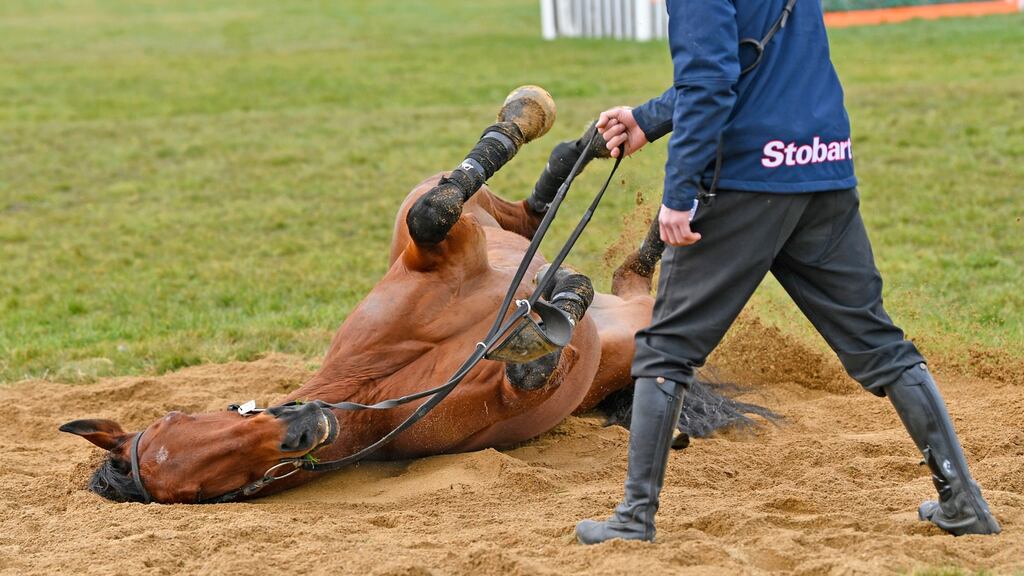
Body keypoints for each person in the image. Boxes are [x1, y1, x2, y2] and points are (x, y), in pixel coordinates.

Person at [574, 0, 1001, 544]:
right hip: (822, 166)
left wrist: (678, 194)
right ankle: (964, 501)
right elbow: (756, 63)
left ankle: (634, 519)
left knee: (665, 349)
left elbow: (710, 81)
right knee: (877, 341)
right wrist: (648, 118)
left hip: (745, 182)